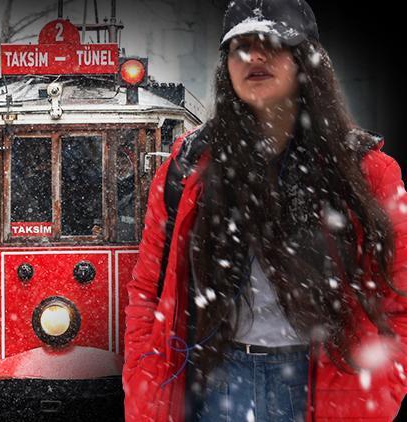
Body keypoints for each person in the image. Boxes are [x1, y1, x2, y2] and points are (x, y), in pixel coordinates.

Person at [123, 1, 407, 421]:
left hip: (327, 388)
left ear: (306, 59)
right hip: (215, 384)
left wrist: (379, 393)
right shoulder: (184, 171)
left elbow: (398, 303)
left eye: (272, 43)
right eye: (240, 45)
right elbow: (147, 292)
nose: (254, 56)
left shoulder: (368, 174)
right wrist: (145, 385)